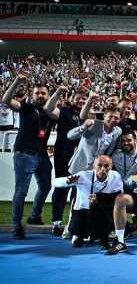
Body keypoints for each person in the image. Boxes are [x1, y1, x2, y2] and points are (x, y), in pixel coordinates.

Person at [2, 75, 59, 239]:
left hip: (42, 155)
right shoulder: (26, 107)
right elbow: (6, 100)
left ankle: (35, 215)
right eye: (37, 93)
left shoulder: (49, 112)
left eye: (43, 93)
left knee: (46, 186)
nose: (40, 95)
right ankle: (16, 226)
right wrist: (16, 82)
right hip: (24, 154)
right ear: (32, 95)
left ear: (48, 96)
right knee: (21, 191)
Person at [53, 155, 123, 248]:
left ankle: (103, 236)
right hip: (82, 212)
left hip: (102, 212)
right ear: (93, 166)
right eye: (100, 165)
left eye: (106, 166)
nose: (103, 169)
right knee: (77, 241)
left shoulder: (116, 176)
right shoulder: (83, 175)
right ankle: (81, 234)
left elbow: (119, 196)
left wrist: (100, 199)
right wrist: (67, 181)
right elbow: (54, 182)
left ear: (111, 166)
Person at [44, 88, 87, 236]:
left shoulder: (86, 115)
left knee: (79, 190)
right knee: (62, 187)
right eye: (79, 98)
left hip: (81, 159)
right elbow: (48, 109)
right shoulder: (64, 111)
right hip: (63, 155)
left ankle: (74, 225)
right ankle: (56, 224)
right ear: (72, 98)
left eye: (84, 99)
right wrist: (56, 94)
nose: (81, 101)